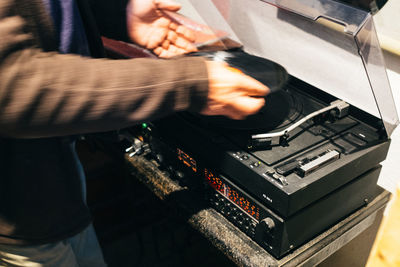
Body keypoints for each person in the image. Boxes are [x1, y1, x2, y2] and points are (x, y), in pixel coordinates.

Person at [0, 0, 269, 266]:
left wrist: (120, 15)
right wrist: (188, 84)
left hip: (57, 173)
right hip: (16, 205)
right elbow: (11, 83)